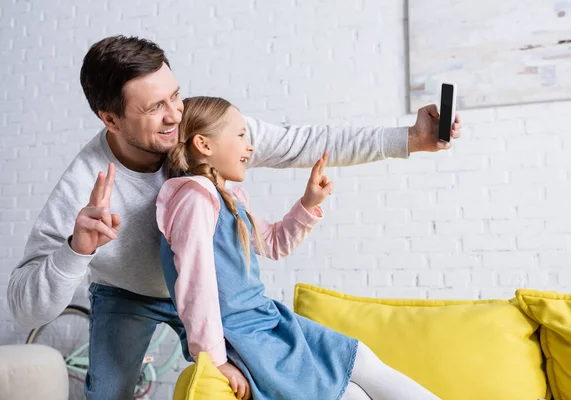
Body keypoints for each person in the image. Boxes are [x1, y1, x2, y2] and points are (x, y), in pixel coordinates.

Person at [7, 35, 461, 400]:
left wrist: (409, 139)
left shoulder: (201, 134)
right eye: (154, 109)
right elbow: (25, 307)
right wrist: (75, 252)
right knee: (108, 393)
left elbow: (304, 142)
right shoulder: (84, 185)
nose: (174, 116)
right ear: (110, 119)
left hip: (216, 300)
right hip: (128, 294)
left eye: (175, 96)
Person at [157, 96, 440, 400]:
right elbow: (195, 286)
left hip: (267, 320)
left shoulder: (227, 198)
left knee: (362, 361)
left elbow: (275, 243)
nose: (249, 147)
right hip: (248, 336)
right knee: (352, 393)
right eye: (240, 135)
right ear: (204, 144)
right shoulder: (194, 199)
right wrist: (215, 360)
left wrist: (308, 203)